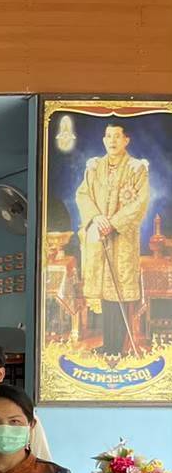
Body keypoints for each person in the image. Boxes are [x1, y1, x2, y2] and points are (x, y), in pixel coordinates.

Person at [75, 121, 150, 360]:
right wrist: (96, 217)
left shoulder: (137, 168)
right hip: (99, 236)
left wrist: (113, 223)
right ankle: (108, 345)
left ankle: (119, 347)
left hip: (122, 239)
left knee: (119, 292)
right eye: (108, 136)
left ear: (126, 140)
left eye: (117, 136)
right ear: (103, 139)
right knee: (106, 294)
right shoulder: (94, 167)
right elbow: (83, 194)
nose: (112, 141)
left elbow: (140, 203)